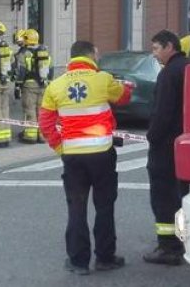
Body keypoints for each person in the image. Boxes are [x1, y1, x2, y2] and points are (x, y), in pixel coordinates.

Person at [39, 40, 134, 275]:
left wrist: (60, 147)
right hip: (102, 154)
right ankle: (105, 258)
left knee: (77, 208)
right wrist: (125, 86)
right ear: (91, 55)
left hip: (73, 157)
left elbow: (45, 123)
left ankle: (78, 262)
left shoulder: (55, 86)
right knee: (104, 206)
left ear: (72, 58)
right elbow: (124, 97)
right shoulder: (103, 79)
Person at [143, 30, 190, 265]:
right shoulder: (189, 67)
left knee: (163, 198)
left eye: (156, 48)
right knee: (180, 196)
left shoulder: (168, 74)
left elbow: (162, 112)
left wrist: (152, 137)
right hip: (185, 143)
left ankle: (168, 248)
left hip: (165, 147)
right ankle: (183, 242)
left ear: (169, 46)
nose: (154, 54)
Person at [15, 28, 52, 144]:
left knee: (29, 109)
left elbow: (21, 71)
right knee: (40, 111)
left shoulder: (25, 53)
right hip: (43, 85)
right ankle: (42, 136)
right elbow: (50, 69)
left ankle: (30, 136)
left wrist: (18, 86)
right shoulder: (45, 52)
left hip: (29, 86)